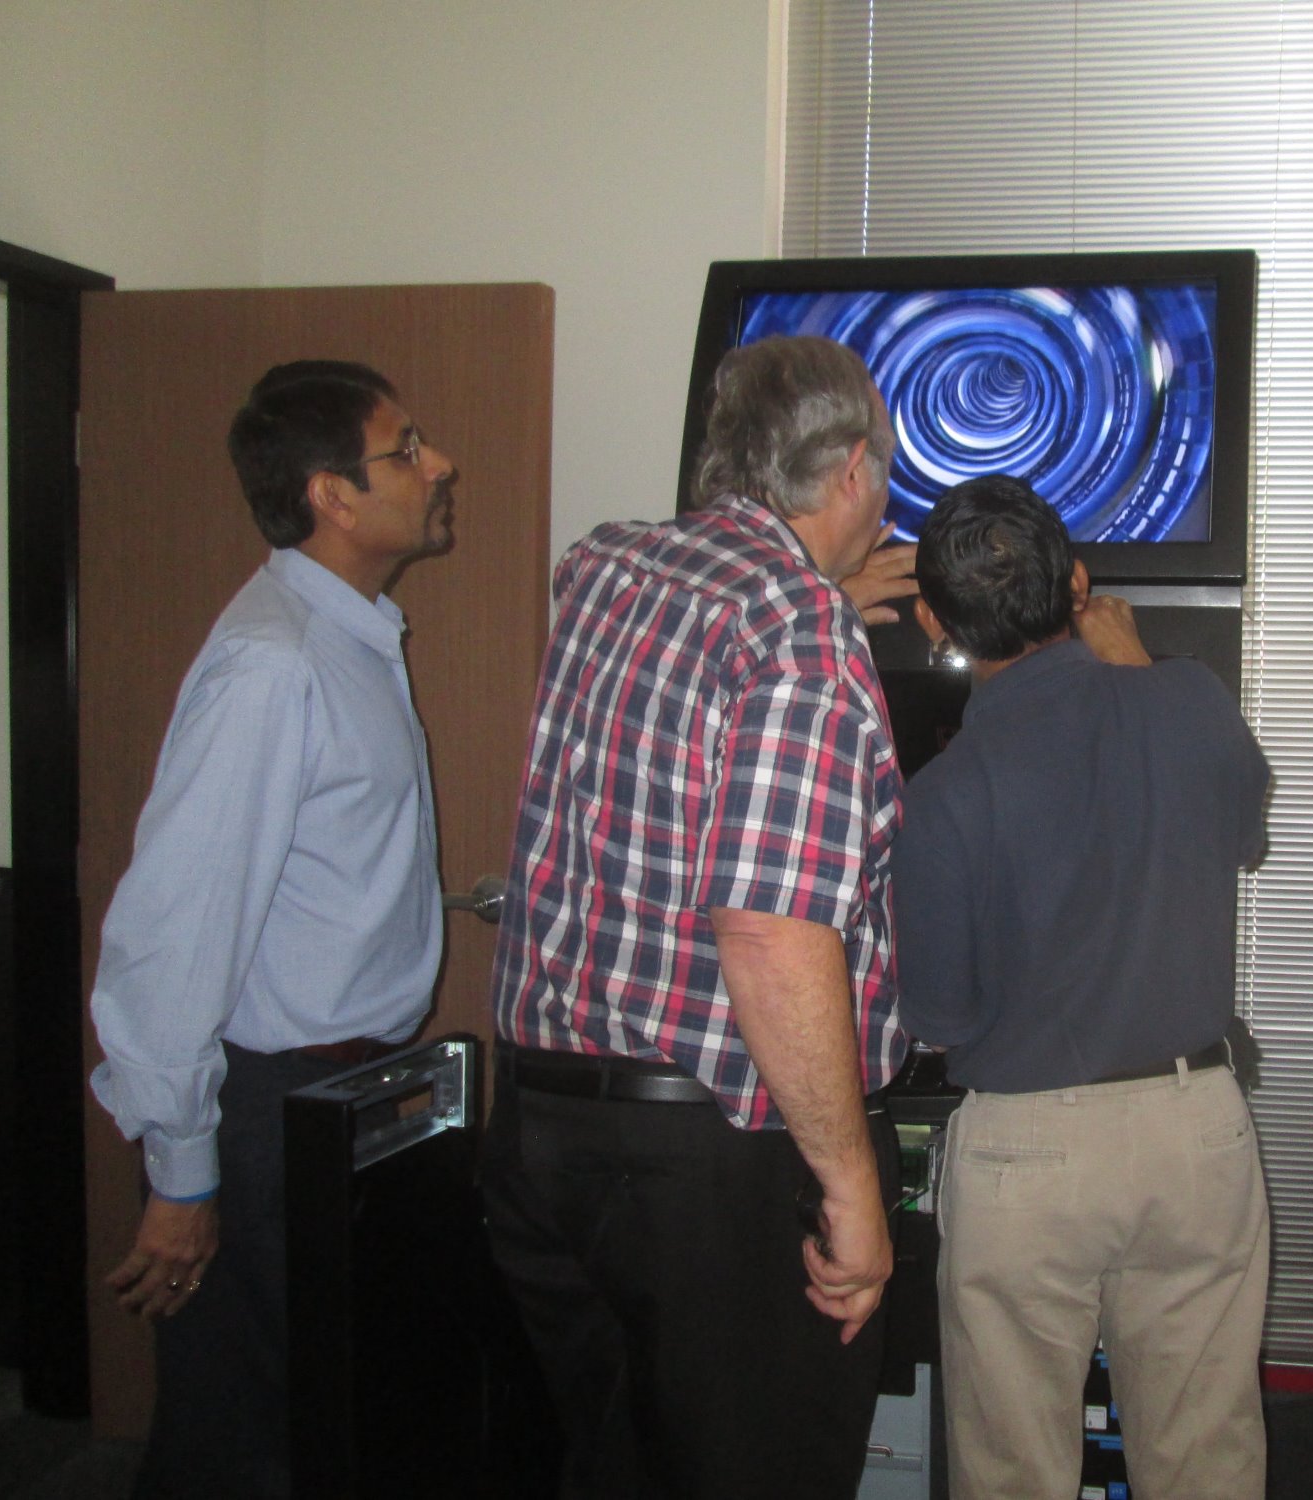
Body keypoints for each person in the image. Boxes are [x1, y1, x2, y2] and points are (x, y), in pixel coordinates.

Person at [482, 333, 914, 1499]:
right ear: (851, 472)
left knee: (611, 1466)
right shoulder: (800, 632)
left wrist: (814, 600)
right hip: (700, 1169)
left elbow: (680, 677)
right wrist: (852, 1187)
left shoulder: (605, 567)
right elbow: (768, 931)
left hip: (539, 1129)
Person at [88, 360, 457, 1498]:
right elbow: (175, 928)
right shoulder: (272, 664)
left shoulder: (349, 636)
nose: (439, 465)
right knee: (238, 1440)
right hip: (261, 1109)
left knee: (322, 1419)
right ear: (331, 495)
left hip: (342, 1091)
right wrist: (182, 1173)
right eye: (406, 448)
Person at [893, 474, 1274, 1500]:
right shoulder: (1189, 698)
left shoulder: (943, 793)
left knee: (1012, 1471)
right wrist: (1139, 669)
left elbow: (941, 1016)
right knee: (1207, 1462)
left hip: (1027, 1153)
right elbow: (1244, 832)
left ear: (933, 621)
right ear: (1079, 582)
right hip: (1196, 1130)